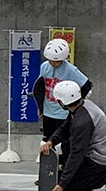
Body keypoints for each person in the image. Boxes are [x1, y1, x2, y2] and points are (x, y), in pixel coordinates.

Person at [39, 80, 106, 191]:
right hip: (91, 154)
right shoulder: (81, 106)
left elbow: (77, 153)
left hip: (100, 163)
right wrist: (51, 141)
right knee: (67, 145)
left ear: (62, 102)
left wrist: (62, 184)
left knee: (65, 185)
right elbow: (65, 127)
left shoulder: (82, 121)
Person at [34, 38, 93, 169]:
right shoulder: (44, 67)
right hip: (49, 111)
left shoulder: (71, 70)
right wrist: (40, 107)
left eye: (56, 61)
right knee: (47, 141)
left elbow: (87, 86)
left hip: (64, 113)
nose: (53, 63)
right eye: (51, 60)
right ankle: (47, 172)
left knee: (64, 143)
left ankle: (64, 169)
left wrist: (75, 107)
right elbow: (40, 87)